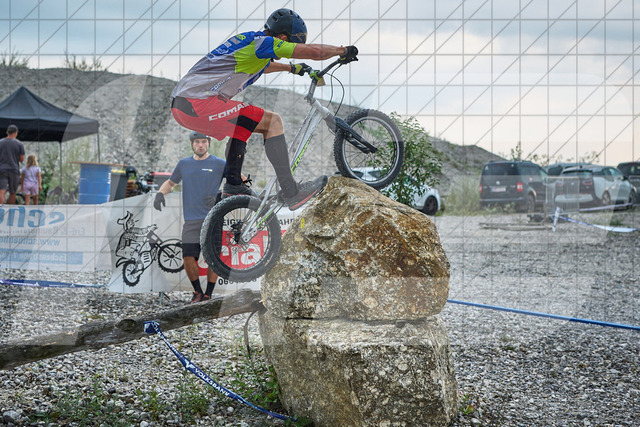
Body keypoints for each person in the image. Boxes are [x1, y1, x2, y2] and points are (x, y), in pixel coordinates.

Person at [170, 8, 358, 211]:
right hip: (198, 103)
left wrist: (291, 68)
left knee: (243, 123)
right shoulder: (266, 42)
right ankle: (290, 191)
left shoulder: (252, 41)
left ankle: (233, 185)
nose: (289, 49)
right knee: (272, 121)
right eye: (291, 44)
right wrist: (343, 51)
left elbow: (263, 65)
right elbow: (313, 52)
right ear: (283, 38)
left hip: (184, 106)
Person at [153, 131, 225, 304]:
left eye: (204, 142)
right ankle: (197, 292)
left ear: (209, 143)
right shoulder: (184, 164)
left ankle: (208, 294)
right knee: (188, 257)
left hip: (213, 219)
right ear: (192, 144)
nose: (200, 145)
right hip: (192, 220)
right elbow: (171, 183)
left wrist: (222, 195)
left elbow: (238, 181)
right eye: (197, 142)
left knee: (213, 259)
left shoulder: (220, 163)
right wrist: (160, 194)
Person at [0, 124, 25, 204]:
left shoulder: (0, 142)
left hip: (2, 170)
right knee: (13, 192)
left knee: (2, 191)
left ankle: (1, 209)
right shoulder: (19, 144)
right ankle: (9, 209)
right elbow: (21, 159)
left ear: (7, 132)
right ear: (16, 133)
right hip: (14, 170)